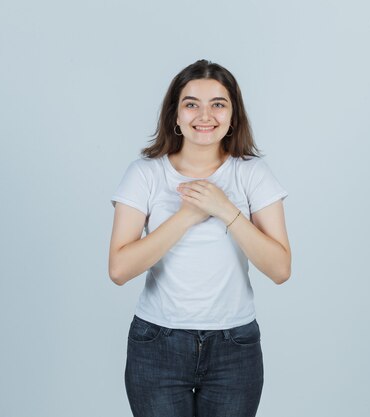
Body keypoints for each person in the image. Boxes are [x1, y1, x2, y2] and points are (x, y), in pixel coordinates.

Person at [108, 59, 291, 417]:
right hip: (157, 343)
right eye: (191, 104)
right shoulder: (145, 174)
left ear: (232, 116)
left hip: (234, 345)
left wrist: (225, 209)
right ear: (174, 117)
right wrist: (188, 216)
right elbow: (119, 269)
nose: (204, 115)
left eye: (218, 104)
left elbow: (280, 268)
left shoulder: (252, 173)